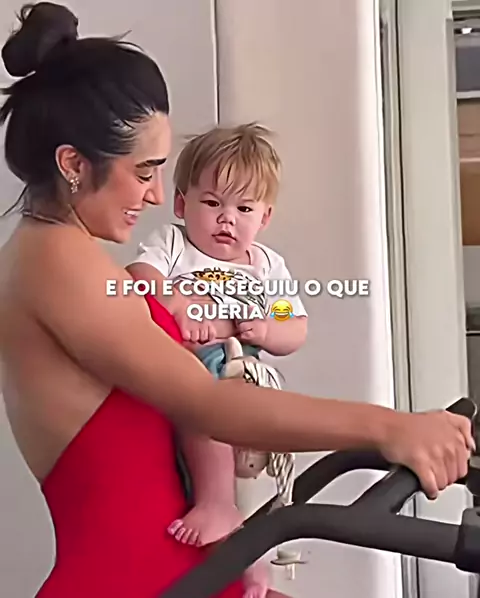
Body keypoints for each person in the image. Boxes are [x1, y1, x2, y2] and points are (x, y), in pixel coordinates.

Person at [0, 3, 474, 598]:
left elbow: (286, 322)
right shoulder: (59, 263)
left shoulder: (63, 255)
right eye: (144, 172)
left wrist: (270, 329)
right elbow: (207, 403)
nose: (155, 195)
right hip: (135, 582)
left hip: (187, 570)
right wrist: (389, 426)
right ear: (73, 164)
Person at [127, 123, 308, 597]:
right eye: (212, 203)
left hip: (246, 373)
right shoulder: (174, 245)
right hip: (191, 371)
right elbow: (139, 276)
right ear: (181, 204)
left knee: (252, 487)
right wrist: (178, 304)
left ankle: (251, 558)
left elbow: (295, 325)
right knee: (203, 413)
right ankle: (219, 514)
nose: (227, 219)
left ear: (264, 217)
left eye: (243, 208)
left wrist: (266, 329)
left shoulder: (267, 267)